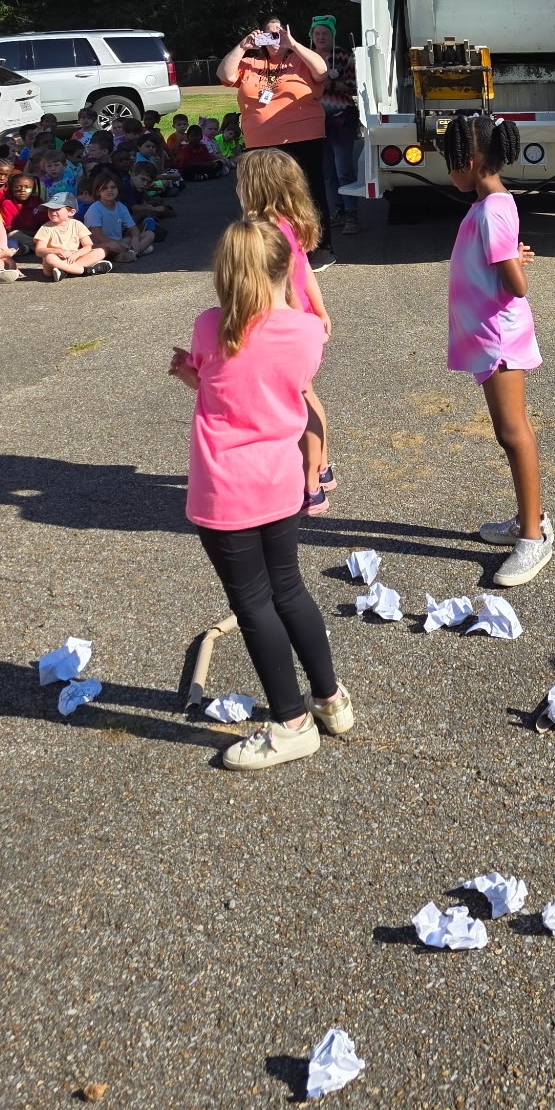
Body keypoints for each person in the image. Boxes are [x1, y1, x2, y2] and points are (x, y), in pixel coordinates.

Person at [169, 216, 352, 771]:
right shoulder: (305, 332)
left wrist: (189, 377)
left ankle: (292, 723)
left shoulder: (210, 326)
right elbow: (270, 390)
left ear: (225, 272)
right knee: (289, 590)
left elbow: (221, 387)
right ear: (287, 268)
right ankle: (330, 698)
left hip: (226, 488)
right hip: (279, 479)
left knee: (252, 605)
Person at [442, 111, 553, 586]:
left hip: (500, 339)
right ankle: (529, 518)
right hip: (490, 337)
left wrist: (515, 264)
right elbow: (499, 259)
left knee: (513, 433)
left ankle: (533, 537)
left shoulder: (492, 208)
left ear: (467, 161)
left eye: (449, 161)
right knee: (513, 430)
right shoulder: (489, 207)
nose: (447, 170)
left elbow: (518, 285)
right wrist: (512, 258)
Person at [234, 147, 335, 517]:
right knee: (307, 396)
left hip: (286, 326)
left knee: (298, 404)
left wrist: (296, 323)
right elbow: (305, 271)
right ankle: (322, 468)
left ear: (255, 188)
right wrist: (319, 311)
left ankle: (310, 487)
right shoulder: (288, 223)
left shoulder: (265, 231)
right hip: (301, 322)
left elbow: (288, 287)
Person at [216, 18, 331, 257]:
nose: (275, 39)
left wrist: (294, 44)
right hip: (260, 142)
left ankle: (318, 246)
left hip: (303, 139)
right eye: (269, 34)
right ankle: (269, 248)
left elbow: (321, 71)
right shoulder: (250, 62)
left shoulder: (301, 59)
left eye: (279, 34)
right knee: (262, 197)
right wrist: (242, 46)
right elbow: (225, 75)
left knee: (308, 192)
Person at [310, 15, 361, 238]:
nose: (321, 37)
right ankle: (338, 211)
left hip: (341, 118)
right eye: (317, 33)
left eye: (325, 33)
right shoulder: (305, 57)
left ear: (332, 35)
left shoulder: (342, 55)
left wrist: (327, 83)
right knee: (327, 171)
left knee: (343, 169)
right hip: (314, 122)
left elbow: (353, 86)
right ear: (311, 36)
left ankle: (352, 213)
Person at [32, 191, 112, 279]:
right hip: (54, 263)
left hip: (73, 259)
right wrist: (57, 251)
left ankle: (65, 271)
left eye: (57, 209)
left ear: (71, 212)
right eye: (50, 209)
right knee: (50, 258)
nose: (52, 212)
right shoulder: (46, 227)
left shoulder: (77, 225)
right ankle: (86, 271)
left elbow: (88, 245)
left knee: (101, 251)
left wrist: (77, 254)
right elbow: (39, 250)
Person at [81, 169, 152, 263]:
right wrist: (119, 245)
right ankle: (134, 251)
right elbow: (98, 236)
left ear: (118, 189)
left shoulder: (121, 207)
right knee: (113, 246)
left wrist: (135, 239)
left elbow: (133, 228)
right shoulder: (94, 209)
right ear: (98, 192)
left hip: (120, 242)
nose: (109, 190)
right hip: (101, 245)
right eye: (105, 188)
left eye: (113, 187)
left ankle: (130, 253)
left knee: (150, 234)